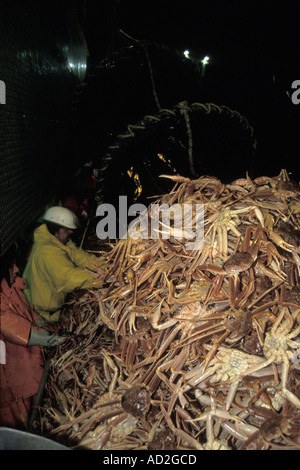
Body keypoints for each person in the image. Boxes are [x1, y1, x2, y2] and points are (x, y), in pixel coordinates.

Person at [0, 246, 64, 429]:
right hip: (13, 389)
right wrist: (56, 339)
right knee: (18, 433)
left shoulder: (11, 289)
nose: (17, 269)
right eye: (11, 265)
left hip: (32, 375)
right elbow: (22, 331)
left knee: (35, 423)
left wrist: (55, 327)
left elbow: (33, 319)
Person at [23, 206, 105, 322]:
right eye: (66, 229)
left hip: (53, 311)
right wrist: (103, 279)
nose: (71, 232)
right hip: (40, 315)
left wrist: (111, 268)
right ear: (54, 228)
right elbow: (68, 278)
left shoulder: (59, 242)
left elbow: (84, 259)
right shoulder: (47, 249)